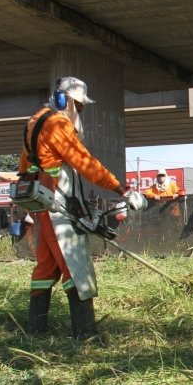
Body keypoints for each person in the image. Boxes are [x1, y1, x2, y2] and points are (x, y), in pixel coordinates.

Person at [18, 76, 141, 338]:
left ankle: (35, 331)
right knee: (75, 264)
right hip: (56, 204)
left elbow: (24, 166)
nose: (81, 110)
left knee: (46, 267)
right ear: (65, 100)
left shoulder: (35, 121)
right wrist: (122, 189)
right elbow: (85, 163)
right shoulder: (56, 123)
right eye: (80, 105)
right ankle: (85, 334)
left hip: (41, 203)